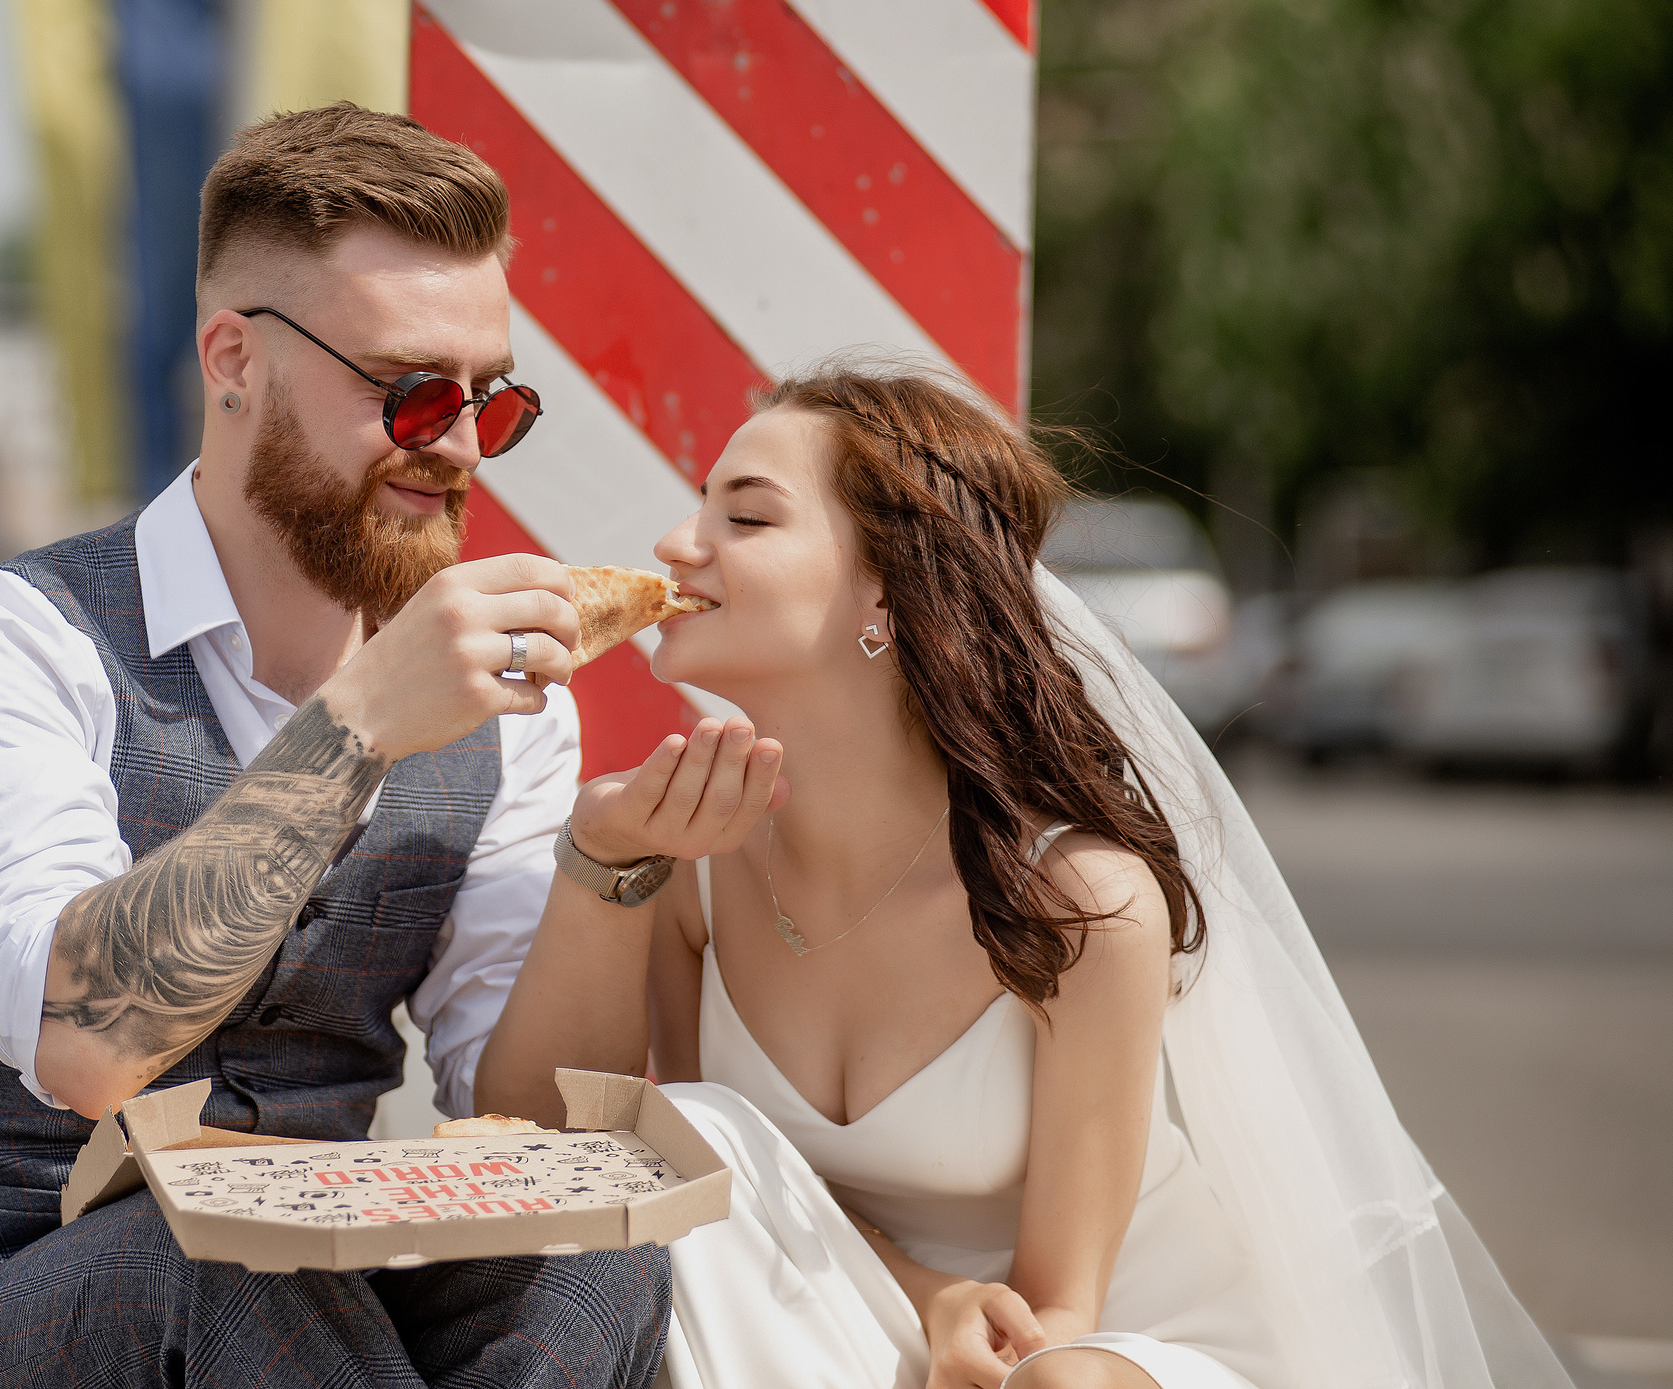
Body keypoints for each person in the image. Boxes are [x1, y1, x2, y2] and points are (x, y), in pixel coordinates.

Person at [479, 366, 1575, 1389]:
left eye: (746, 516)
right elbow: (602, 1167)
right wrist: (601, 855)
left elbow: (1048, 1319)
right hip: (833, 1329)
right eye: (698, 506)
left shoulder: (1083, 902)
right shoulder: (692, 863)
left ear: (887, 593)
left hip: (1093, 1349)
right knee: (688, 1134)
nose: (678, 542)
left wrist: (954, 1315)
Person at [0, 103, 680, 1387]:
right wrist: (354, 726)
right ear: (234, 357)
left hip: (329, 1321)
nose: (454, 445)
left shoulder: (510, 713)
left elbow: (528, 1125)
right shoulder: (7, 637)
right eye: (408, 392)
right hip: (18, 1309)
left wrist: (606, 865)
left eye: (488, 400)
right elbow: (84, 1036)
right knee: (213, 1257)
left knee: (602, 1251)